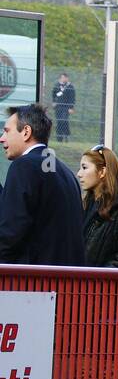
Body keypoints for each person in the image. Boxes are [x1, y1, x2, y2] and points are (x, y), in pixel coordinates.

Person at [0, 105, 86, 266]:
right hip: (67, 282)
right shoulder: (65, 172)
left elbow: (10, 232)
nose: (2, 138)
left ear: (26, 132)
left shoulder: (23, 166)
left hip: (33, 283)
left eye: (7, 131)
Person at [51, 73, 76, 143]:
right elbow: (53, 94)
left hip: (66, 107)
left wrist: (71, 107)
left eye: (65, 77)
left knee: (64, 120)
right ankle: (59, 138)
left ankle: (66, 135)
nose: (64, 79)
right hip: (58, 107)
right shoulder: (57, 86)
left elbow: (72, 98)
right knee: (59, 121)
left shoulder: (70, 87)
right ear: (60, 78)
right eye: (63, 77)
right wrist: (53, 102)